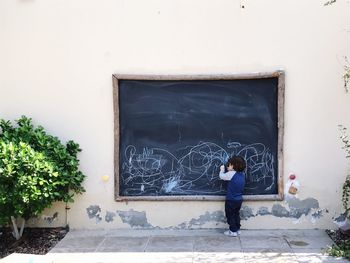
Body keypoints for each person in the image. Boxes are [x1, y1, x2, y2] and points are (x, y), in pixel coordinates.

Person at [219, 155, 246, 237]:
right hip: (239, 200)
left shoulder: (231, 174)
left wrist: (221, 170)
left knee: (230, 215)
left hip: (231, 200)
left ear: (234, 166)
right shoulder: (242, 175)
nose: (228, 166)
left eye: (229, 165)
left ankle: (232, 231)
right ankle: (237, 229)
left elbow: (222, 176)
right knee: (236, 214)